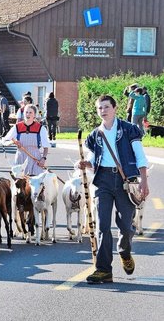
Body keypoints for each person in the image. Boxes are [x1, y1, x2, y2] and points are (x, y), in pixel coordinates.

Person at [76, 95, 149, 284]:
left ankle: (124, 251)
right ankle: (103, 270)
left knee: (126, 226)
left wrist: (144, 182)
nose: (103, 111)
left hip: (126, 181)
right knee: (103, 226)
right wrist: (85, 163)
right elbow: (93, 159)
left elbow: (140, 157)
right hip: (103, 181)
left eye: (106, 107)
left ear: (115, 108)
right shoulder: (95, 134)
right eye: (100, 108)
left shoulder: (129, 130)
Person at [2, 104, 50, 175]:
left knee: (36, 182)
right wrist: (13, 142)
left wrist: (43, 158)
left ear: (34, 115)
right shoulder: (17, 127)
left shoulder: (40, 128)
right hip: (20, 158)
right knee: (20, 183)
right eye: (26, 112)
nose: (28, 114)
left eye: (30, 112)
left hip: (35, 159)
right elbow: (4, 141)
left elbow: (46, 147)